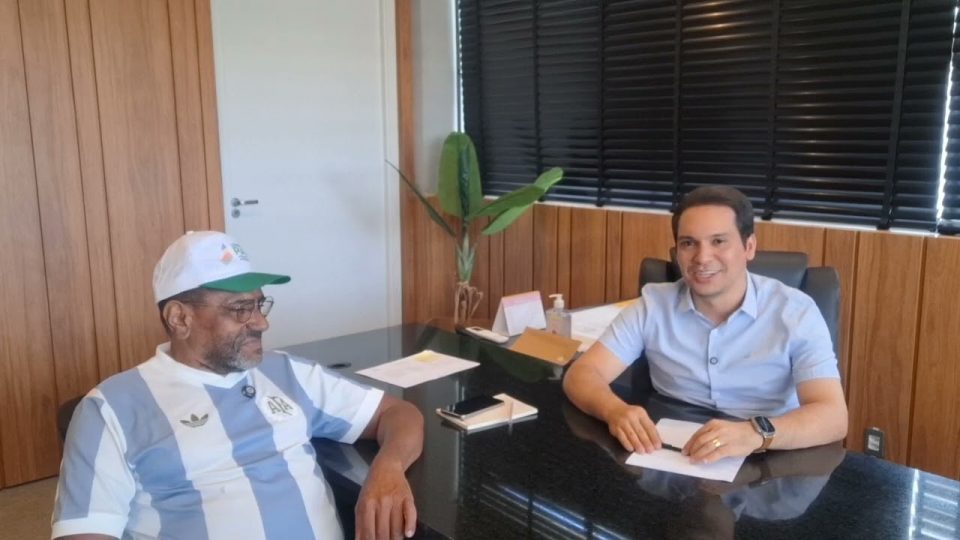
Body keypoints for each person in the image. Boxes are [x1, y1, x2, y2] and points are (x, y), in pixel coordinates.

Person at [51, 231, 424, 540]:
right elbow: (84, 532)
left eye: (260, 305)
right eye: (240, 309)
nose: (261, 323)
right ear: (179, 318)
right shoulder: (111, 409)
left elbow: (398, 413)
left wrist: (388, 468)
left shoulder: (286, 372)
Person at [563, 186, 847, 464]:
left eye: (718, 241)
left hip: (769, 458)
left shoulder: (795, 312)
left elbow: (833, 416)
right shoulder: (653, 305)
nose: (702, 258)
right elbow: (582, 374)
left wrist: (755, 433)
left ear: (749, 247)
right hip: (667, 453)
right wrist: (614, 411)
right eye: (689, 243)